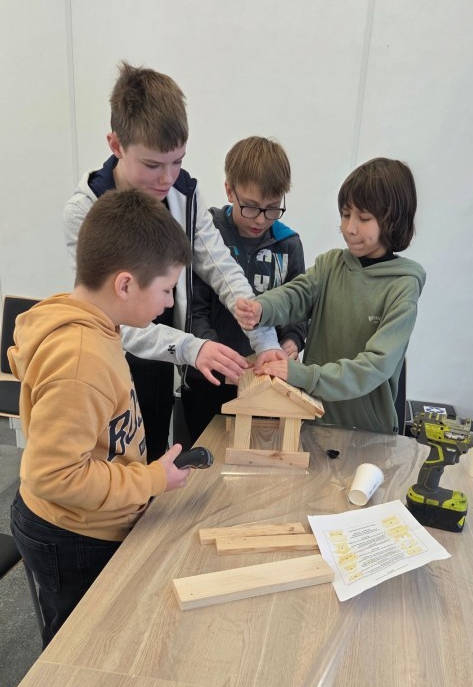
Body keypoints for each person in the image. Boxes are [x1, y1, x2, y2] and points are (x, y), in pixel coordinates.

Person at [63, 62, 283, 461]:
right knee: (111, 461)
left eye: (177, 160)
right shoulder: (86, 210)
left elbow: (222, 268)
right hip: (106, 360)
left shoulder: (185, 194)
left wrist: (264, 340)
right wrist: (191, 347)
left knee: (153, 452)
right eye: (152, 165)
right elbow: (106, 318)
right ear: (116, 145)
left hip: (162, 357)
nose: (167, 177)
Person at [10, 189, 193, 647]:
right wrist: (150, 480)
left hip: (85, 520)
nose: (169, 302)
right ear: (125, 285)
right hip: (72, 534)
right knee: (79, 648)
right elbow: (53, 474)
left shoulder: (98, 326)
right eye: (166, 289)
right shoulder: (80, 357)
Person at [234, 157, 425, 434]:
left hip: (368, 433)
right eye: (346, 214)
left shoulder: (402, 286)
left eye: (364, 218)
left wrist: (302, 375)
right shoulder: (331, 265)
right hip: (314, 418)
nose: (350, 228)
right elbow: (297, 294)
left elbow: (374, 366)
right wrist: (262, 307)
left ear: (393, 220)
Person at [181, 136, 307, 443]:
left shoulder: (289, 244)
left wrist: (293, 340)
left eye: (272, 209)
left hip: (266, 382)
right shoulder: (207, 236)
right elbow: (193, 311)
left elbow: (300, 308)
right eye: (250, 207)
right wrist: (218, 356)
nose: (261, 220)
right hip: (208, 380)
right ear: (229, 190)